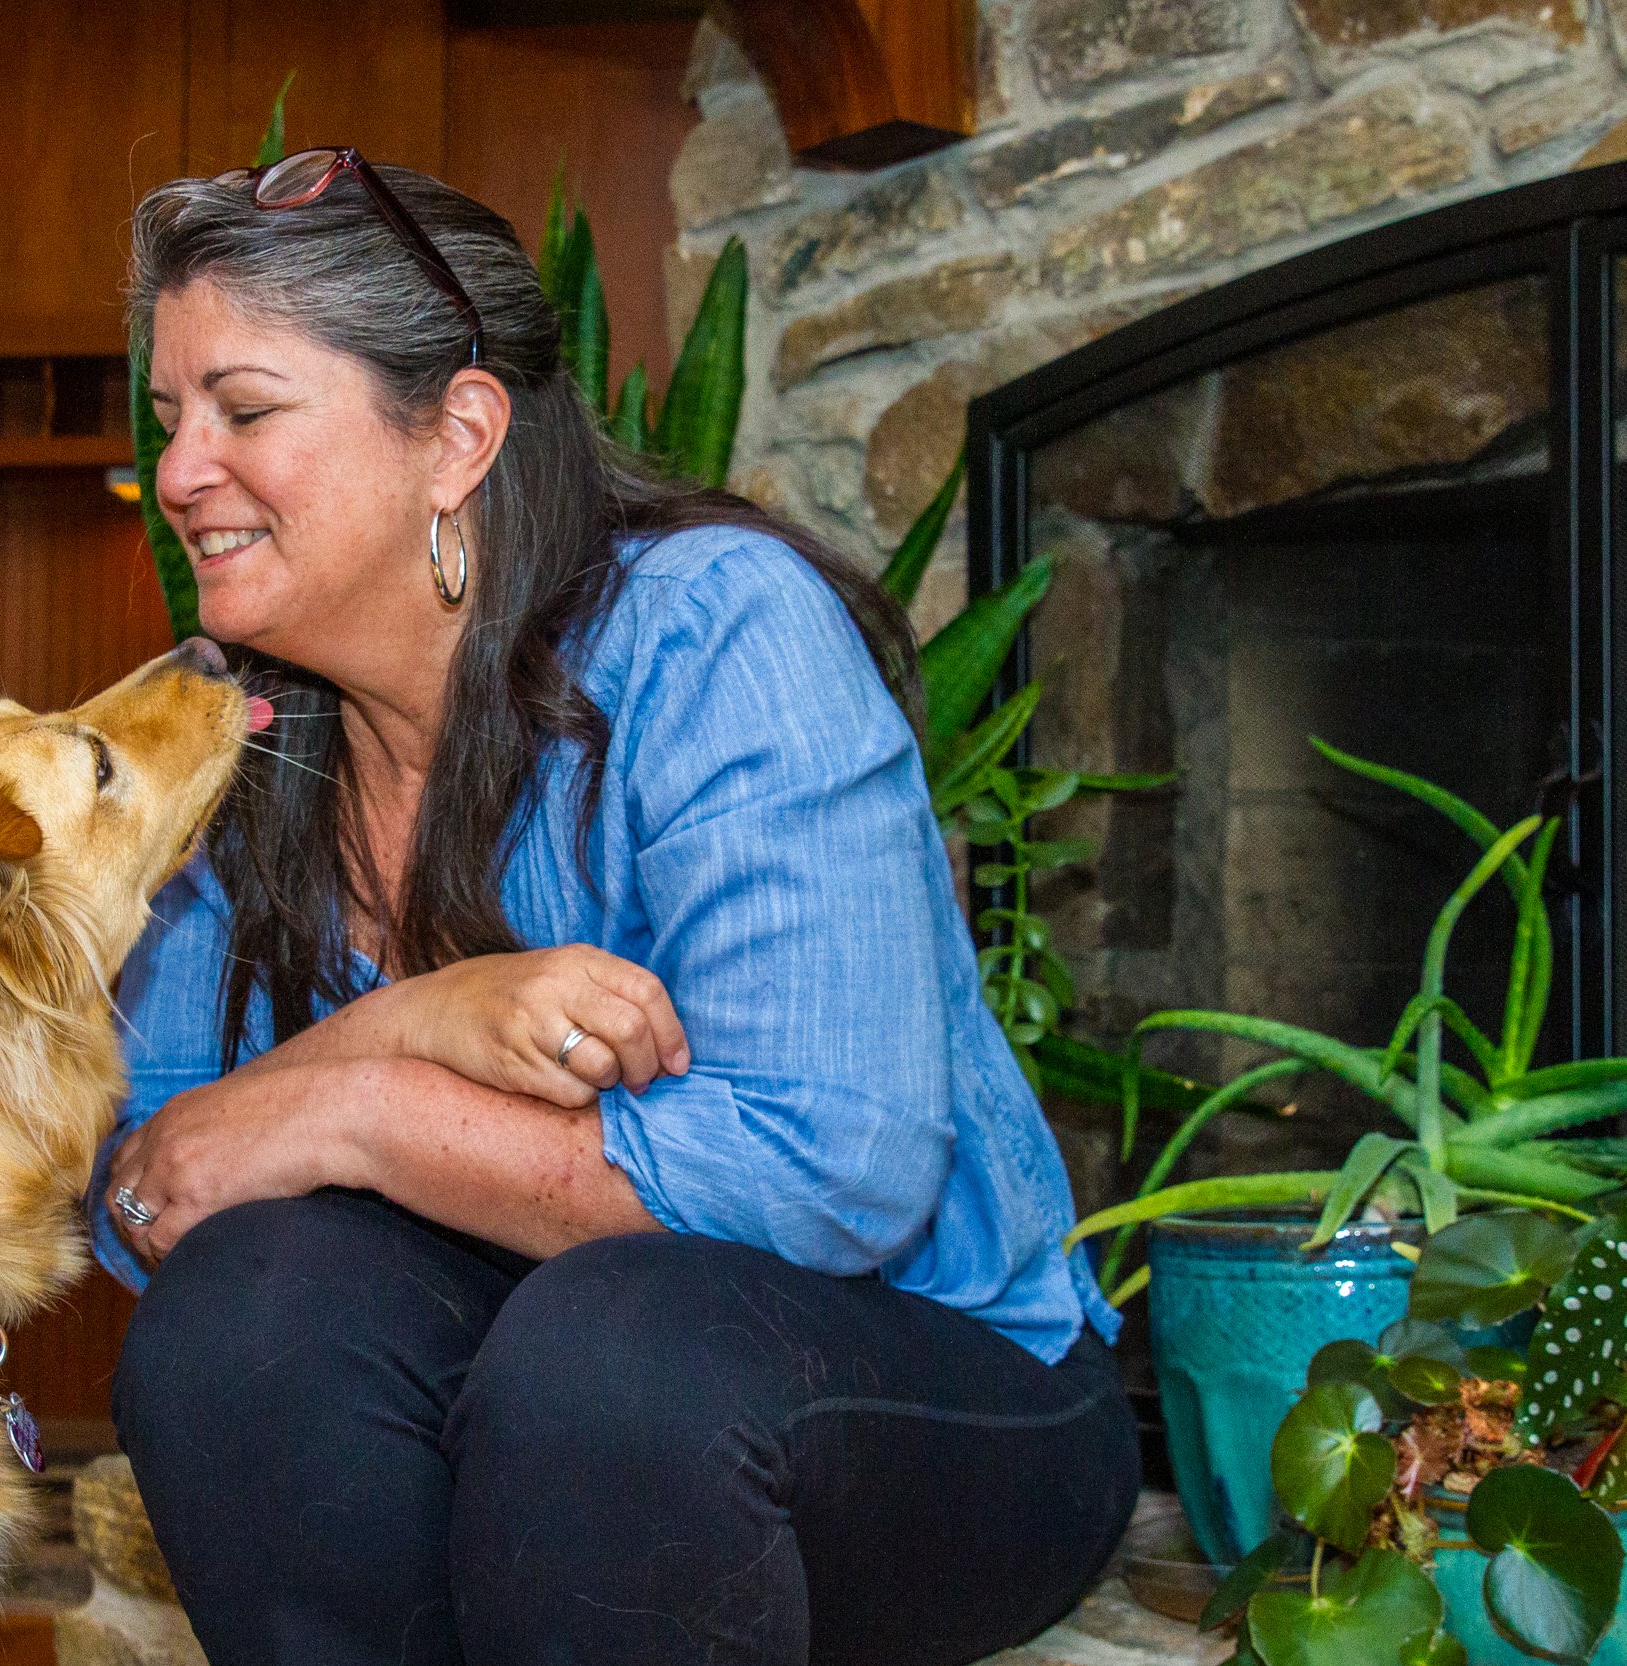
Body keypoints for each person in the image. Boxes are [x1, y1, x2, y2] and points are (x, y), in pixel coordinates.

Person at [92, 147, 1137, 1666]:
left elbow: (833, 1167)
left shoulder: (714, 633)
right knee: (234, 1326)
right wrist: (406, 1023)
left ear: (456, 435)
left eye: (244, 410)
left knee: (607, 1357)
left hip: (933, 1395)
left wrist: (366, 1115)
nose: (180, 469)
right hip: (532, 1389)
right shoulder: (236, 738)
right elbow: (149, 1190)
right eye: (172, 414)